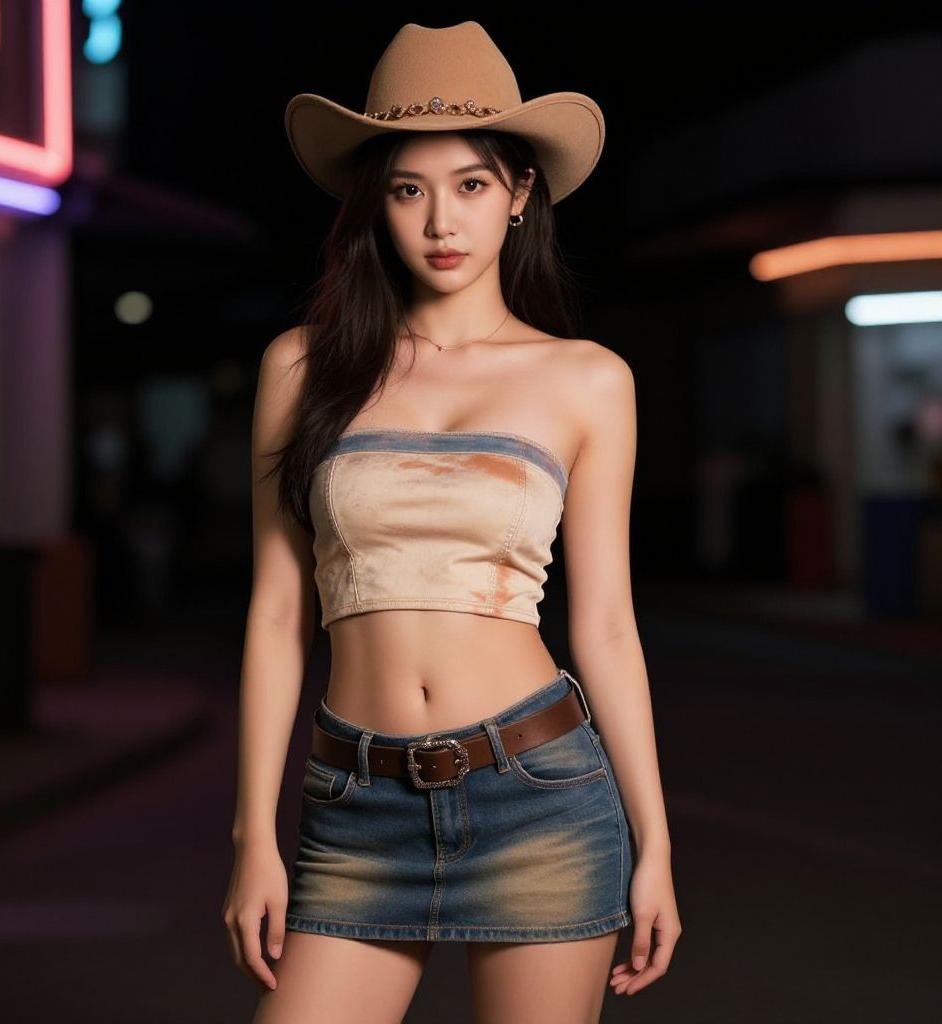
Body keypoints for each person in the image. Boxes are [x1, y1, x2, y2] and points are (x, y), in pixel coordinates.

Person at [223, 21, 681, 1023]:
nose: (442, 219)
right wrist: (253, 834)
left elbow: (604, 624)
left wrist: (656, 845)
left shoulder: (587, 379)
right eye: (408, 188)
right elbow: (273, 613)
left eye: (472, 185)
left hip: (541, 796)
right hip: (353, 805)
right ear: (374, 203)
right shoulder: (301, 368)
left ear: (520, 195)